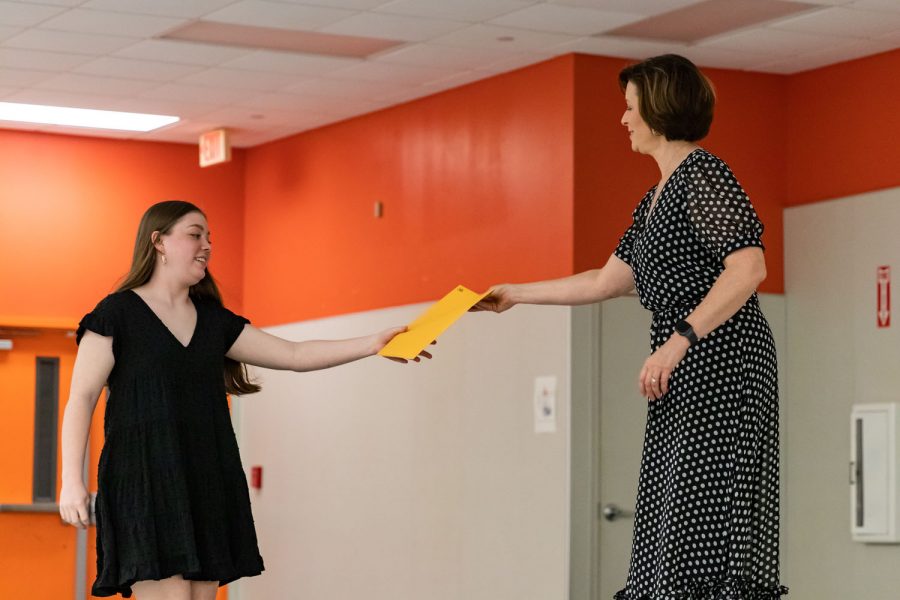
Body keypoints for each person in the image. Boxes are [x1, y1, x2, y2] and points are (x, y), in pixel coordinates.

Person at [474, 55, 787, 599]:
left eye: (629, 107)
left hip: (721, 364)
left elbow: (750, 266)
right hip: (685, 368)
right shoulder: (656, 197)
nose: (623, 120)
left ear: (660, 110)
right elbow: (605, 281)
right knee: (670, 514)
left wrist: (678, 342)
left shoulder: (705, 176)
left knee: (700, 515)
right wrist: (514, 293)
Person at [59, 200, 431, 599]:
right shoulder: (116, 314)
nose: (207, 245)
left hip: (208, 476)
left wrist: (373, 344)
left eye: (209, 238)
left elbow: (294, 355)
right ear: (159, 242)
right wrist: (71, 481)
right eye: (195, 234)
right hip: (146, 479)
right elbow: (81, 398)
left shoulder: (215, 321)